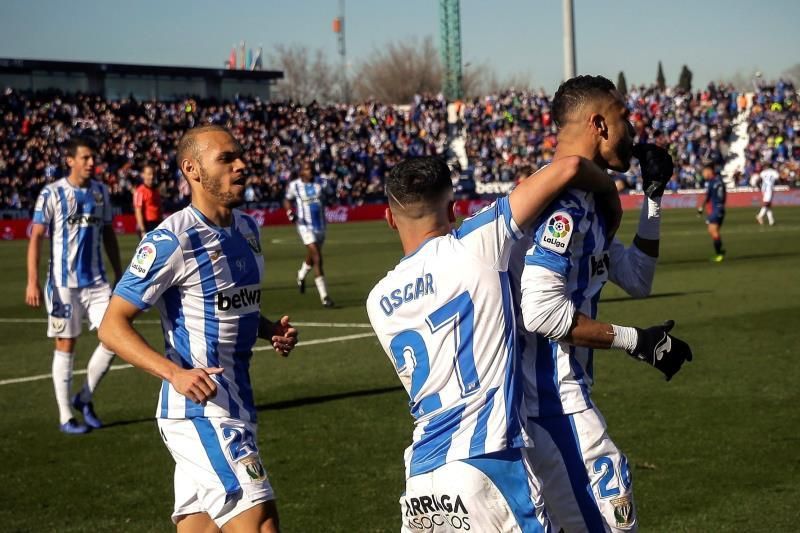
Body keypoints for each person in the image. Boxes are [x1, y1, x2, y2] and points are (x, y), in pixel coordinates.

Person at [366, 155, 622, 532]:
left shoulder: (377, 300)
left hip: (421, 478)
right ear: (453, 210)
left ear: (390, 219)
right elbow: (567, 167)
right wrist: (609, 189)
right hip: (487, 464)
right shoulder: (476, 243)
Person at [511, 75, 693, 533]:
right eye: (623, 118)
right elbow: (541, 313)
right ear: (599, 123)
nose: (632, 130)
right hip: (552, 405)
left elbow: (637, 279)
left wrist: (651, 200)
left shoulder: (586, 203)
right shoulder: (563, 208)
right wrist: (636, 341)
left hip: (557, 404)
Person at [98, 125, 298, 532]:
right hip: (199, 412)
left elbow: (226, 306)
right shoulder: (172, 240)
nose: (242, 165)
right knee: (260, 523)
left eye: (241, 156)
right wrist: (175, 373)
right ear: (192, 169)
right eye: (227, 158)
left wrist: (266, 328)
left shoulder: (247, 230)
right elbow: (111, 327)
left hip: (238, 405)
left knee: (199, 527)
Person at [25, 136, 122, 434]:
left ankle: (85, 397)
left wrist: (120, 273)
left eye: (93, 158)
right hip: (62, 284)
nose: (92, 163)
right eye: (86, 158)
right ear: (70, 160)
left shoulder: (101, 192)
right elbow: (37, 236)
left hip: (97, 283)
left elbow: (108, 235)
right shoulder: (52, 193)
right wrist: (32, 281)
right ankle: (66, 415)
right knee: (66, 344)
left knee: (116, 337)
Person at [284, 161, 334, 307]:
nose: (310, 171)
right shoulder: (295, 185)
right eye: (307, 169)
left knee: (312, 256)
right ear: (301, 172)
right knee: (317, 257)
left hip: (321, 226)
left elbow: (331, 196)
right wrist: (289, 212)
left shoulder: (321, 183)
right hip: (304, 225)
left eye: (311, 169)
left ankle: (301, 274)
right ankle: (325, 297)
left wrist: (331, 200)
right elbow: (287, 199)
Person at [697, 164, 727, 262]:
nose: (703, 174)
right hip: (718, 209)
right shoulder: (717, 181)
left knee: (713, 230)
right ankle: (720, 252)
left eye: (704, 172)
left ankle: (719, 254)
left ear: (709, 171)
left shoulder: (713, 182)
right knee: (713, 231)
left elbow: (708, 197)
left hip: (717, 209)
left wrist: (702, 207)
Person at [133, 163, 164, 238]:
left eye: (153, 174)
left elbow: (159, 209)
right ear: (143, 175)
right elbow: (138, 211)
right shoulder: (140, 191)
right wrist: (143, 230)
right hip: (147, 225)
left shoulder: (155, 191)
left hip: (157, 224)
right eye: (149, 174)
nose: (152, 176)